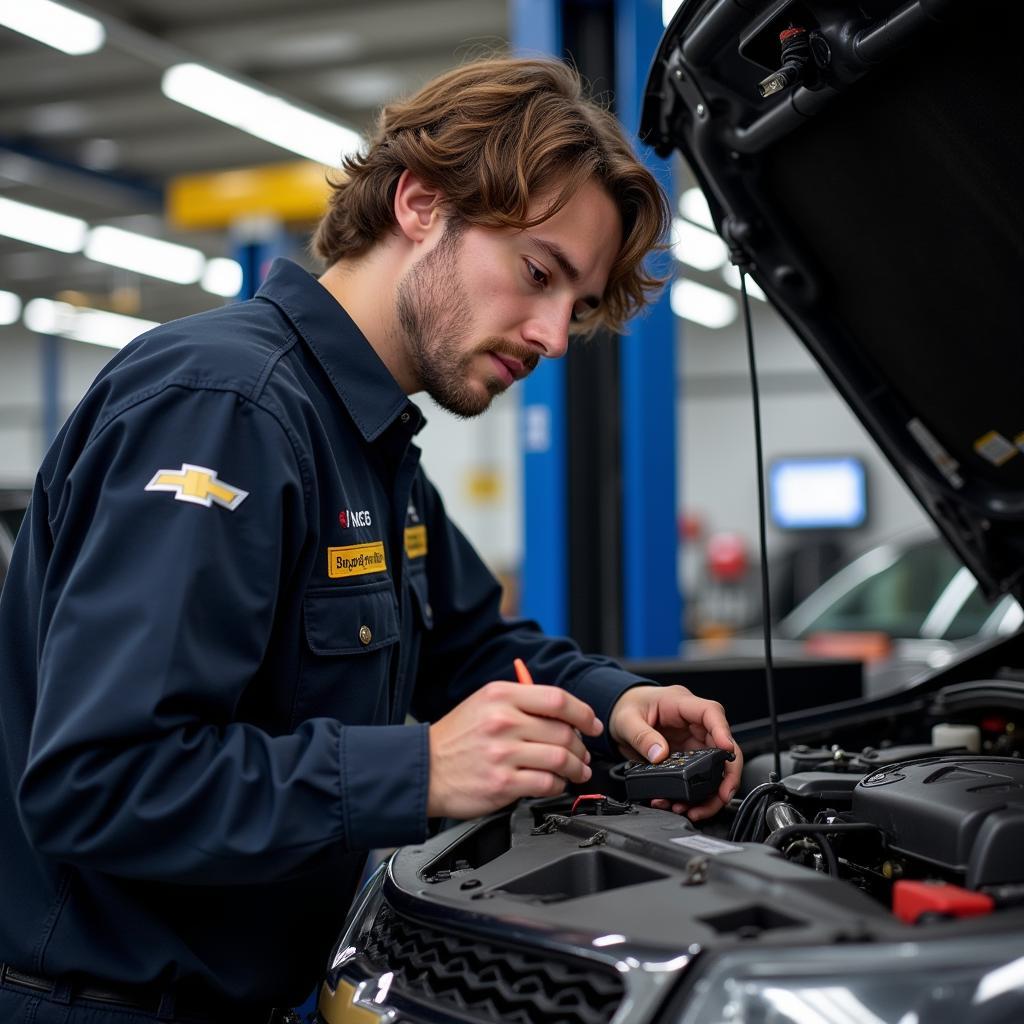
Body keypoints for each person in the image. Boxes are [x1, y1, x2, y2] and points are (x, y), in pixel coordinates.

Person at [0, 57, 742, 1023]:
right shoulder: (227, 409)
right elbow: (97, 781)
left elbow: (470, 649)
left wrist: (620, 701)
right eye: (537, 274)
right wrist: (419, 768)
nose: (556, 335)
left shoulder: (367, 439)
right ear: (421, 204)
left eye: (577, 304)